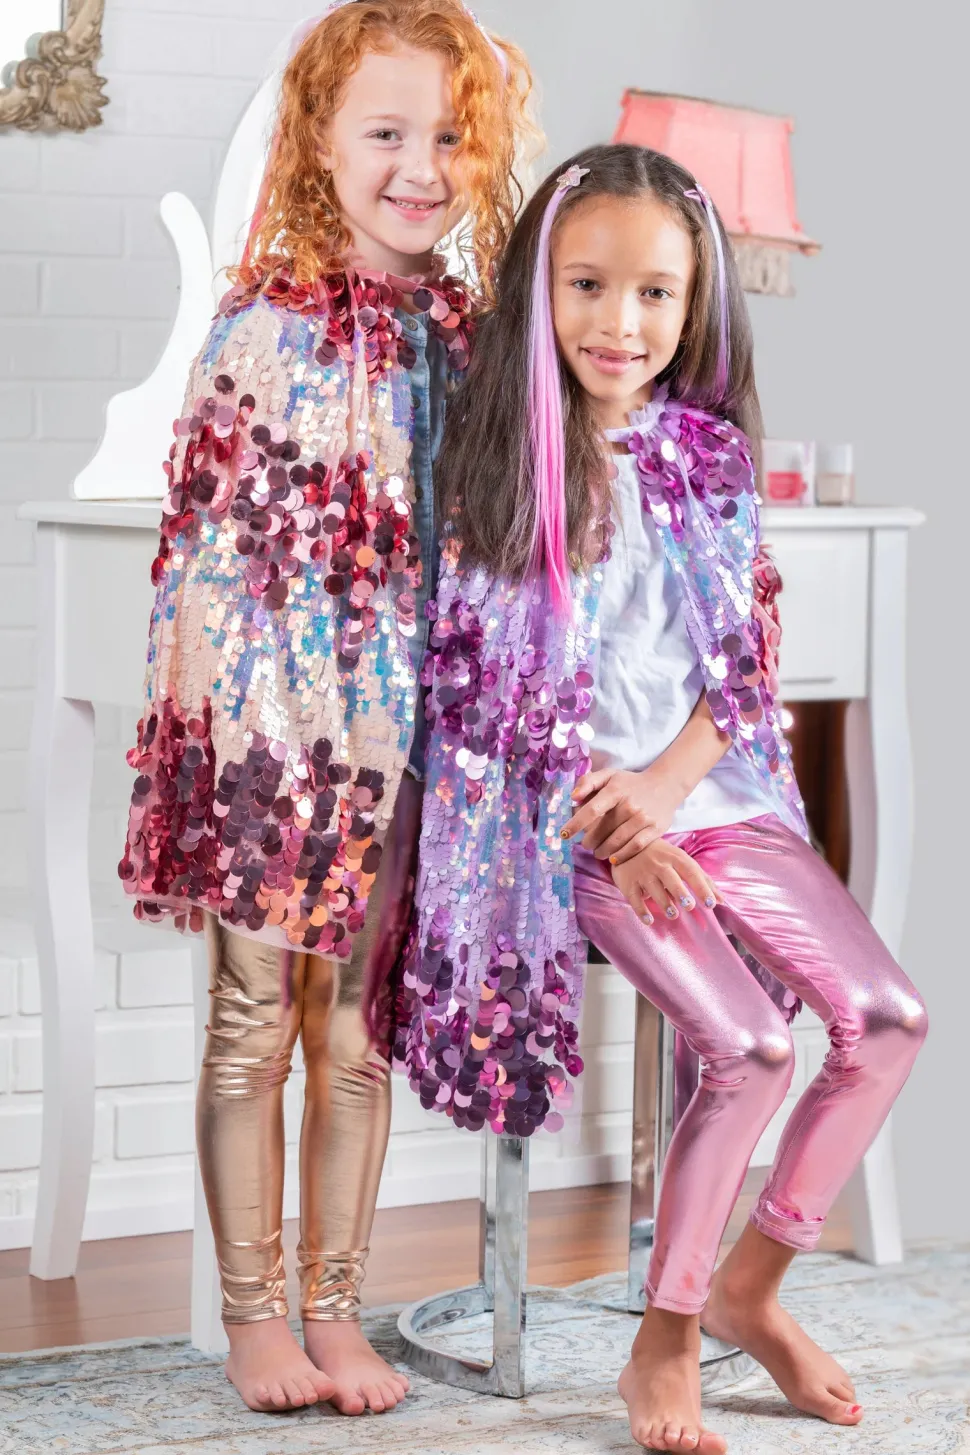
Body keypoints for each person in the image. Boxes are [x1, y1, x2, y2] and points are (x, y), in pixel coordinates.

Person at [395, 143, 928, 1453]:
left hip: (711, 795)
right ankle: (669, 1331)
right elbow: (479, 697)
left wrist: (668, 789)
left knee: (886, 1019)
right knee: (750, 1047)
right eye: (587, 285)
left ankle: (751, 1286)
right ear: (540, 288)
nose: (619, 323)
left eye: (654, 294)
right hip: (567, 833)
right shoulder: (494, 464)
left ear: (695, 308)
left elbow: (740, 666)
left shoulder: (706, 457)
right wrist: (618, 823)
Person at [118, 0, 535, 1416]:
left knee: (353, 1025)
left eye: (451, 138)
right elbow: (204, 560)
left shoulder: (474, 340)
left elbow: (490, 542)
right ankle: (253, 1319)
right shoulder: (261, 326)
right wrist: (252, 734)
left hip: (402, 740)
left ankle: (338, 1308)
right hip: (269, 733)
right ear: (319, 143)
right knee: (255, 1019)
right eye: (387, 133)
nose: (422, 166)